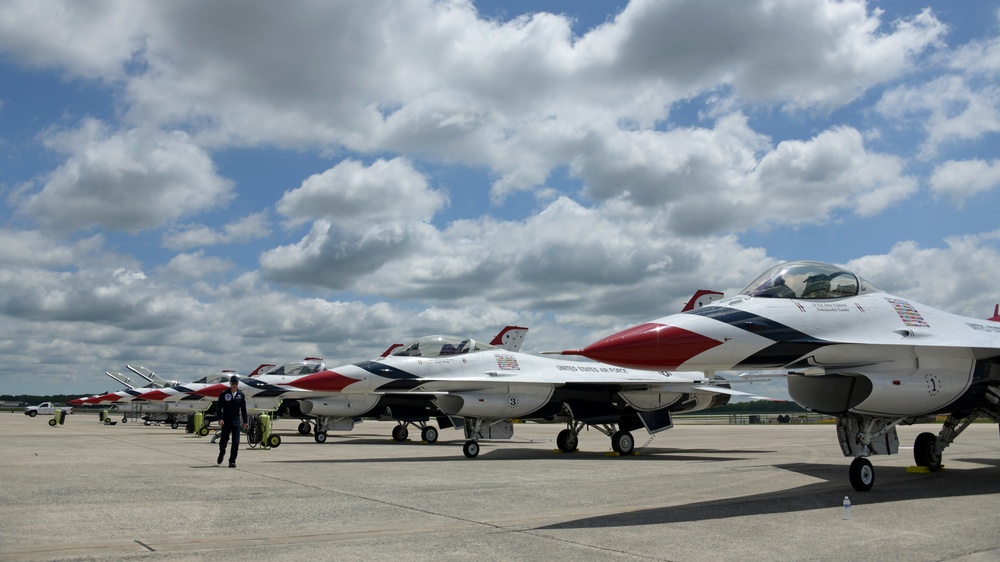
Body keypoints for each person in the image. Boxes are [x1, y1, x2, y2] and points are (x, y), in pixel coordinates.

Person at [215, 375, 248, 467]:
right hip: (226, 421)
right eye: (233, 383)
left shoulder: (240, 395)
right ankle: (222, 453)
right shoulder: (224, 394)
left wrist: (245, 421)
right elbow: (219, 408)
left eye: (236, 383)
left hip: (236, 422)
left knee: (236, 442)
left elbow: (243, 409)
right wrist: (220, 419)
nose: (234, 385)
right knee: (223, 441)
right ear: (230, 384)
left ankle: (232, 461)